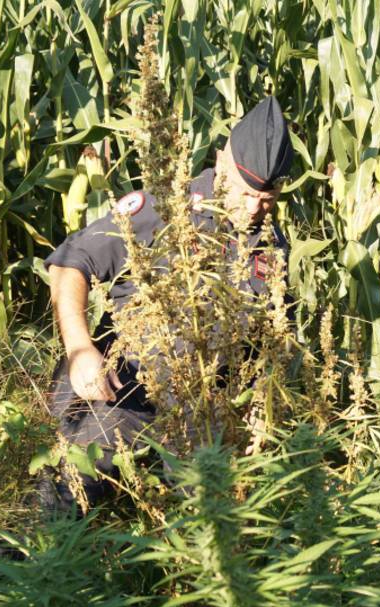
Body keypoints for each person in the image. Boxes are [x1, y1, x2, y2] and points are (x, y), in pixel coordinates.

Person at [41, 95, 294, 507]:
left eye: (266, 199)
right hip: (123, 393)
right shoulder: (161, 208)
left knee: (210, 528)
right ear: (222, 162)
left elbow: (269, 335)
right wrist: (79, 348)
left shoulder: (270, 244)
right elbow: (69, 263)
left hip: (201, 412)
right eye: (246, 194)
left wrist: (260, 406)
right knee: (60, 511)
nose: (253, 210)